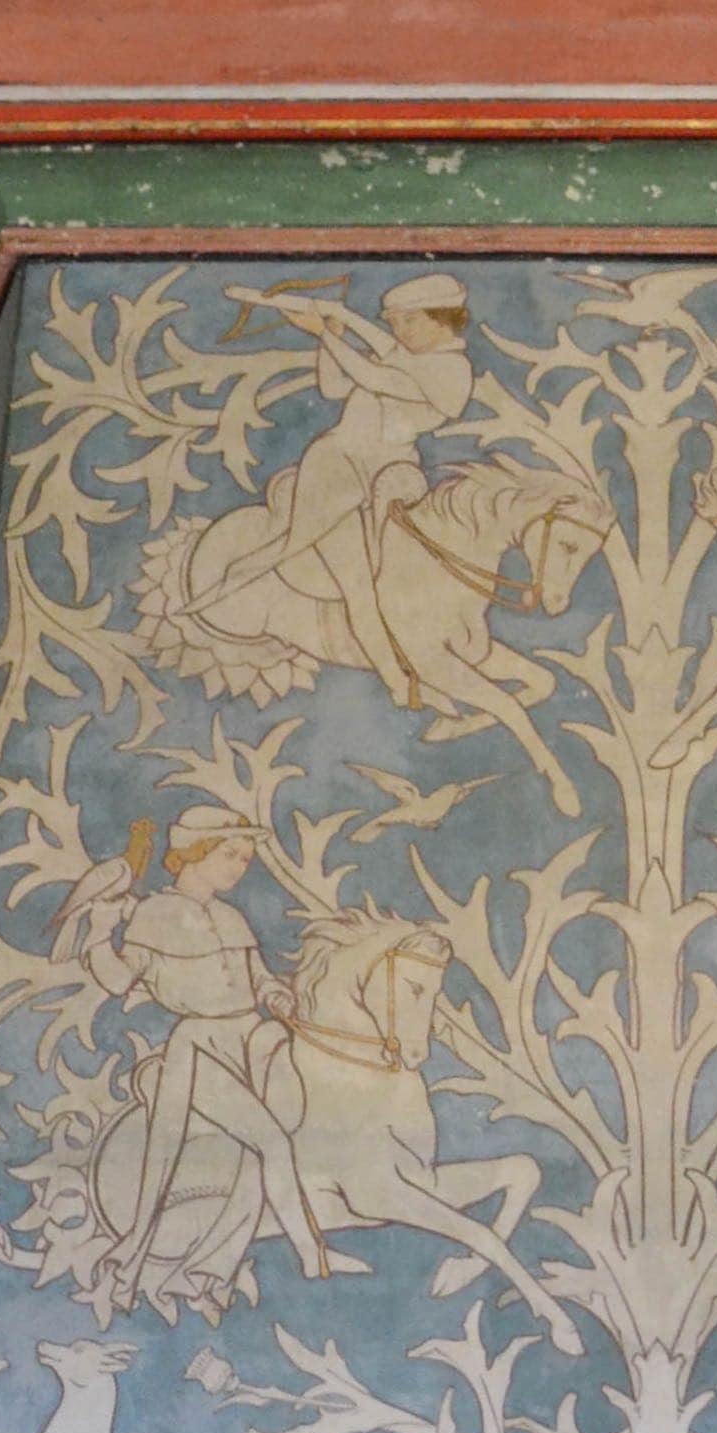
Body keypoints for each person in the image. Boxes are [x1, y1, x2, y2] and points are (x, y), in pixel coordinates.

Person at [65, 806, 335, 1318]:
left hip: (252, 1039)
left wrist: (277, 995)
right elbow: (120, 980)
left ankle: (210, 1271)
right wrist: (99, 933)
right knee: (272, 1141)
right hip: (202, 1048)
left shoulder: (233, 917)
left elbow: (259, 977)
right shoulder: (156, 914)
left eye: (246, 858)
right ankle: (312, 1255)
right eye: (231, 854)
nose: (240, 867)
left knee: (263, 1154)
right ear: (195, 852)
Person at [256, 274, 474, 708]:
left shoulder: (450, 369)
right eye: (392, 323)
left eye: (407, 322)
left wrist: (330, 330)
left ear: (440, 320)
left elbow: (375, 378)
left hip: (391, 476)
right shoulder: (405, 356)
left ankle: (434, 660)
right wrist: (332, 334)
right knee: (357, 583)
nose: (398, 332)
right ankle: (397, 680)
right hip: (336, 469)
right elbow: (335, 387)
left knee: (408, 578)